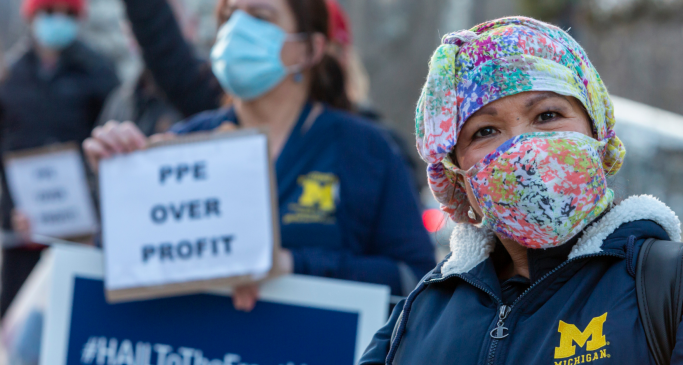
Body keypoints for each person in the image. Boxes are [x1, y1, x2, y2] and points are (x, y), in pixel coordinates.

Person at [359, 17, 683, 364]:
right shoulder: (422, 314)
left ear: (597, 131)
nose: (524, 147)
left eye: (547, 115)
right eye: (486, 130)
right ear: (457, 175)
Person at [82, 0, 436, 311]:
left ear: (309, 50)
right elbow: (119, 266)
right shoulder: (186, 141)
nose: (239, 28)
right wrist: (123, 185)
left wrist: (291, 264)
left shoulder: (366, 150)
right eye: (231, 14)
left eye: (260, 16)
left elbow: (414, 279)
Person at [0, 0, 119, 317]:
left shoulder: (99, 72)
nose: (58, 21)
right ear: (33, 15)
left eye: (69, 14)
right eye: (49, 11)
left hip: (77, 232)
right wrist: (11, 208)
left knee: (69, 318)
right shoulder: (9, 73)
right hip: (19, 230)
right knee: (16, 324)